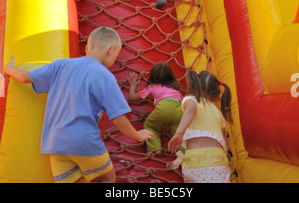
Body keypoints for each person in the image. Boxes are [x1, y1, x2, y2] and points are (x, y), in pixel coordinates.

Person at [3, 27, 154, 184]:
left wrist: (9, 68)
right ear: (112, 49)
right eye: (116, 56)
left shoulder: (60, 65)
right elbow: (118, 118)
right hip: (84, 142)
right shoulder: (105, 76)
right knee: (107, 178)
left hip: (55, 145)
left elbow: (26, 77)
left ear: (87, 47)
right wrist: (137, 135)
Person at [167, 70, 233, 184]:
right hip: (219, 162)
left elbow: (191, 109)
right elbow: (224, 138)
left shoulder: (191, 100)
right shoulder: (219, 114)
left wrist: (179, 133)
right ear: (216, 94)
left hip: (197, 161)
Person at [128, 62, 183, 155]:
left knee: (150, 126)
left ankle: (155, 148)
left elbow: (132, 98)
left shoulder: (152, 87)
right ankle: (183, 151)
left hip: (164, 108)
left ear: (152, 76)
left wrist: (133, 86)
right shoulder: (176, 87)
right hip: (179, 109)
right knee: (178, 131)